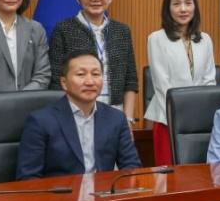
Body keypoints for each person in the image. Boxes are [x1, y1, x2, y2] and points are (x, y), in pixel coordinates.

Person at [17, 49, 143, 179]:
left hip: (103, 190)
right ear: (64, 83)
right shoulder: (41, 121)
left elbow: (131, 165)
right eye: (81, 74)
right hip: (61, 192)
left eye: (95, 74)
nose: (90, 82)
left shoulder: (116, 118)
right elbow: (28, 177)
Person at [47, 0, 140, 122]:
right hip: (75, 111)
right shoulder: (64, 29)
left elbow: (130, 80)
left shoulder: (121, 31)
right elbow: (57, 80)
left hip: (115, 112)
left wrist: (127, 118)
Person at [145, 0, 217, 166]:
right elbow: (162, 84)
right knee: (168, 174)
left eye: (188, 3)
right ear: (168, 9)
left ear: (195, 7)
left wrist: (202, 114)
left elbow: (209, 81)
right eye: (176, 4)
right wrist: (181, 115)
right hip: (167, 118)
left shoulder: (205, 39)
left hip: (199, 120)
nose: (183, 9)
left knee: (197, 173)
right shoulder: (156, 38)